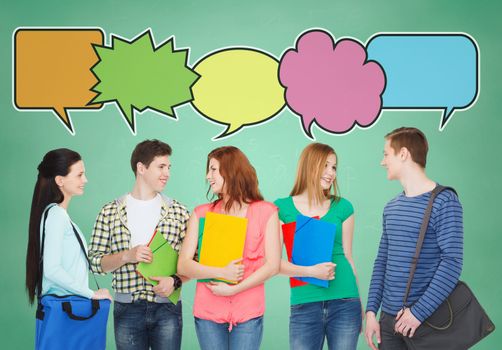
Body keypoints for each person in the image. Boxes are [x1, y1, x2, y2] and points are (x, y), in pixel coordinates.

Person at [364, 127, 463, 350]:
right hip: (389, 323)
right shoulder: (391, 207)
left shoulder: (445, 201)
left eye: (386, 154)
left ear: (403, 154)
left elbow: (452, 263)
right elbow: (382, 262)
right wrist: (372, 312)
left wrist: (418, 313)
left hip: (427, 321)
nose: (382, 161)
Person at [88, 140, 190, 350]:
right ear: (141, 168)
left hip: (167, 309)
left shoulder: (178, 211)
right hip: (127, 309)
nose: (167, 173)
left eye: (169, 167)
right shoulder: (110, 211)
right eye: (161, 167)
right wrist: (127, 256)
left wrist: (175, 281)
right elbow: (95, 262)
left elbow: (195, 259)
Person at [177, 146, 280, 350]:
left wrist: (234, 289)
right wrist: (221, 272)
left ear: (230, 170)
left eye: (213, 169)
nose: (208, 176)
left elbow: (273, 266)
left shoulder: (266, 212)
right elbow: (183, 266)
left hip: (249, 310)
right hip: (208, 311)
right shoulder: (201, 214)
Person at [274, 143, 362, 350]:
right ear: (310, 165)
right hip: (304, 304)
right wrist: (311, 272)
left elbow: (348, 256)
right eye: (326, 166)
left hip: (345, 301)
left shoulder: (343, 206)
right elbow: (274, 263)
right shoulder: (282, 208)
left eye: (334, 167)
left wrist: (360, 304)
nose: (331, 173)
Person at [25, 148, 111, 306]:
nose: (85, 180)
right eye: (79, 175)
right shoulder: (57, 215)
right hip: (66, 308)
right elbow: (51, 270)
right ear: (60, 181)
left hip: (67, 307)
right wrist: (91, 294)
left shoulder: (55, 214)